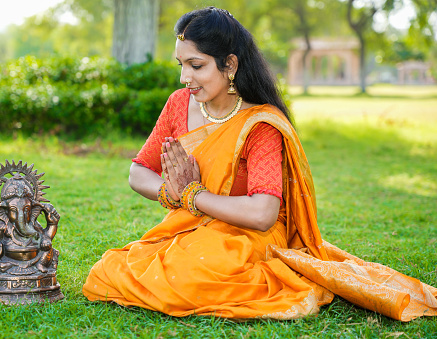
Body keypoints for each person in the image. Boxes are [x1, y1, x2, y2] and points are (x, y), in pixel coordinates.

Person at [83, 7, 437, 321]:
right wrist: (171, 192)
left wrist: (193, 195)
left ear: (231, 64)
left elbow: (263, 213)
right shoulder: (178, 104)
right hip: (189, 227)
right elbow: (138, 171)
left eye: (196, 66)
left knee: (194, 273)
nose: (184, 78)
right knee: (109, 269)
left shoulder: (260, 124)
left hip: (248, 237)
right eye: (181, 66)